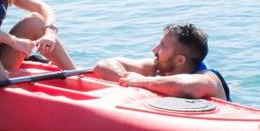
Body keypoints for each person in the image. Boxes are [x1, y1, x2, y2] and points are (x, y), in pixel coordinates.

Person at [93, 23, 230, 100]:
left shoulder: (209, 78)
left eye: (162, 46)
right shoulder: (156, 68)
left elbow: (187, 86)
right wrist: (132, 84)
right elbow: (104, 65)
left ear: (180, 60)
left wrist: (142, 81)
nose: (154, 49)